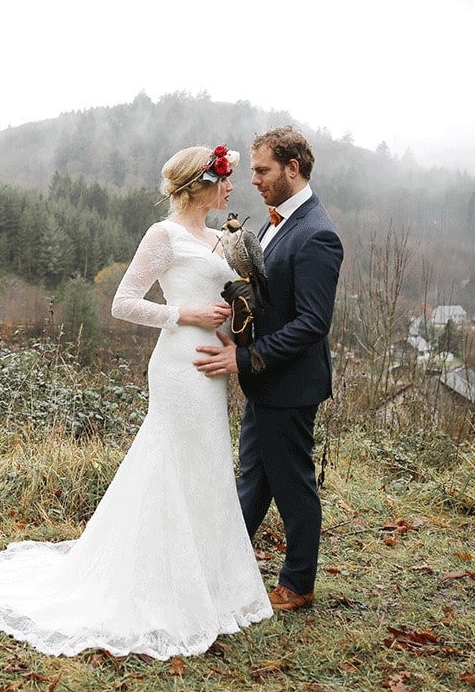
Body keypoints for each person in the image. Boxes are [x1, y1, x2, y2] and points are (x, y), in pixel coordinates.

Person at [0, 145, 273, 658]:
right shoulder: (162, 236)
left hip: (213, 366)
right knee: (168, 461)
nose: (232, 189)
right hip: (177, 365)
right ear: (199, 186)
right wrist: (183, 314)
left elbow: (226, 308)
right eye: (225, 181)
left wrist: (238, 348)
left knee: (206, 465)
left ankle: (206, 584)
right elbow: (125, 302)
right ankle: (155, 584)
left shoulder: (219, 240)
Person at [194, 126, 343, 612]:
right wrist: (235, 330)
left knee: (292, 484)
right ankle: (221, 567)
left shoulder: (318, 234)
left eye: (262, 170)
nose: (252, 179)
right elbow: (269, 302)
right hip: (265, 381)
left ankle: (297, 585)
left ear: (292, 169)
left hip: (291, 385)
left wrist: (243, 359)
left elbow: (311, 325)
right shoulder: (271, 225)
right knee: (254, 481)